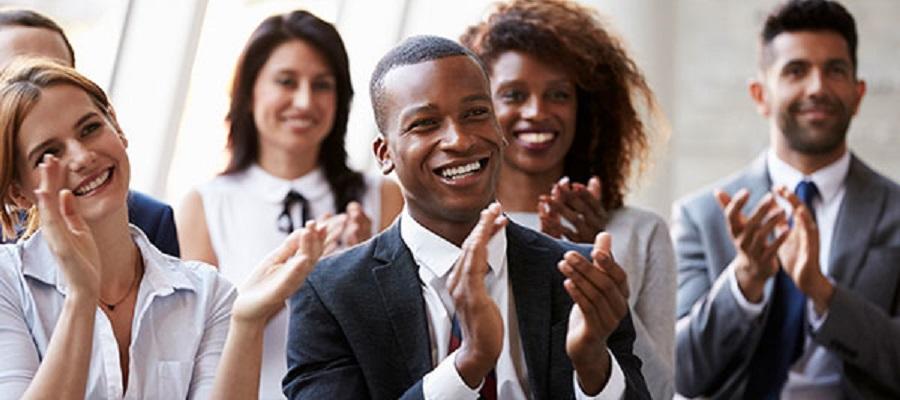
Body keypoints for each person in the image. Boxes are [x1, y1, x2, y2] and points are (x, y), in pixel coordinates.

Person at [283, 35, 649, 399]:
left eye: (475, 113)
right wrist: (468, 365)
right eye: (425, 123)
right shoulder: (331, 293)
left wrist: (593, 369)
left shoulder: (579, 278)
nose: (459, 140)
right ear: (384, 153)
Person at [0, 58, 327, 399]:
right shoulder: (8, 284)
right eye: (48, 155)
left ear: (117, 128)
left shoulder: (207, 294)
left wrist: (246, 322)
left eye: (90, 128)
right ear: (18, 193)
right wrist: (81, 297)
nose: (82, 157)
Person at [672, 1, 900, 398]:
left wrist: (822, 292)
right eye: (796, 71)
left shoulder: (896, 212)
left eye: (835, 70)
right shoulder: (701, 216)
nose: (817, 87)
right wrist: (744, 282)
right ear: (760, 94)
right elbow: (680, 375)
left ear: (858, 93)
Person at [176, 10, 403, 399]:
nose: (304, 101)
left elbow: (406, 337)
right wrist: (289, 284)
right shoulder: (205, 205)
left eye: (321, 85)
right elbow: (194, 350)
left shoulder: (382, 196)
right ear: (249, 92)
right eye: (286, 82)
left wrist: (363, 267)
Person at [461, 1, 675, 397]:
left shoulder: (641, 234)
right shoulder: (457, 233)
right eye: (513, 95)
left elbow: (660, 391)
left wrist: (599, 271)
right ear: (480, 109)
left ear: (586, 109)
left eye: (558, 94)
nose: (537, 111)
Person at [0, 8, 180, 257]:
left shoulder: (151, 220)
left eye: (53, 72)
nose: (37, 84)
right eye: (13, 79)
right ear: (17, 192)